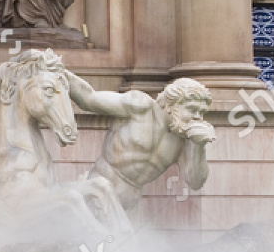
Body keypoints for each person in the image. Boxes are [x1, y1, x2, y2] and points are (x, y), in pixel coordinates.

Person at [65, 73, 216, 214]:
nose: (198, 117)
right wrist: (61, 73)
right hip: (97, 192)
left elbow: (195, 182)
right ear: (171, 103)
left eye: (202, 112)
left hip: (129, 204)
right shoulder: (140, 106)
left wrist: (199, 145)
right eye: (192, 109)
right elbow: (89, 99)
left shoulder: (184, 140)